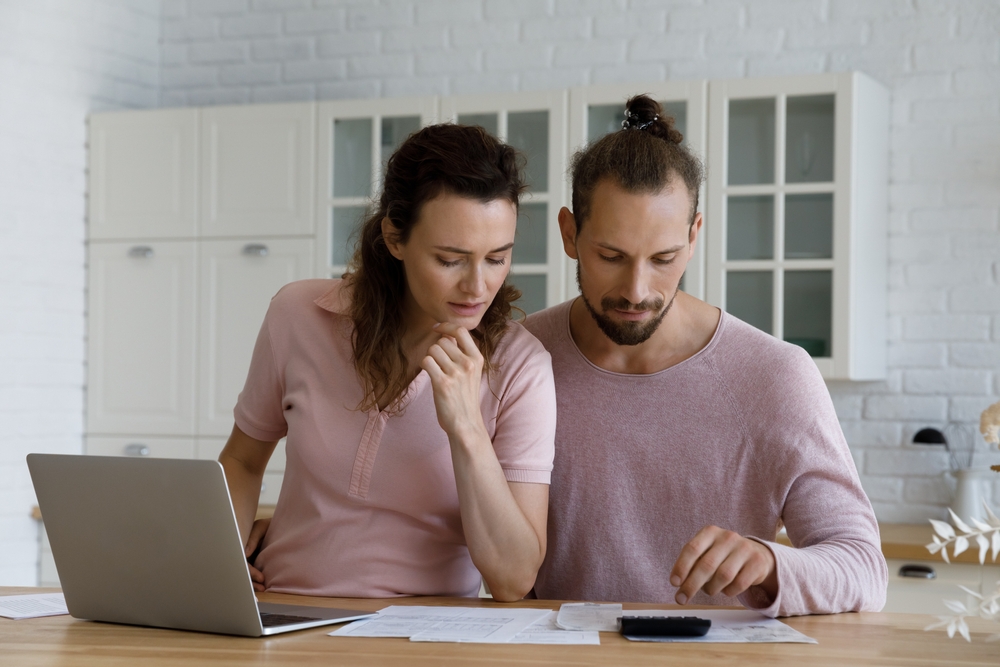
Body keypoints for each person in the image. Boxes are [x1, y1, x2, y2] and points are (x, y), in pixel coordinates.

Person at [525, 95, 887, 616]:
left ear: (693, 238)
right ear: (568, 234)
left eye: (664, 258)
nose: (636, 289)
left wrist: (769, 563)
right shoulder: (522, 359)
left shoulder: (773, 375)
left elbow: (863, 568)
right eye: (611, 256)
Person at [219, 124, 556, 602]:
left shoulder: (521, 368)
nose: (478, 287)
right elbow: (242, 460)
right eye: (450, 260)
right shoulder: (297, 315)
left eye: (497, 258)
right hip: (283, 611)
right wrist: (224, 554)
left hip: (428, 636)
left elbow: (512, 578)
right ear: (395, 238)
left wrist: (466, 429)